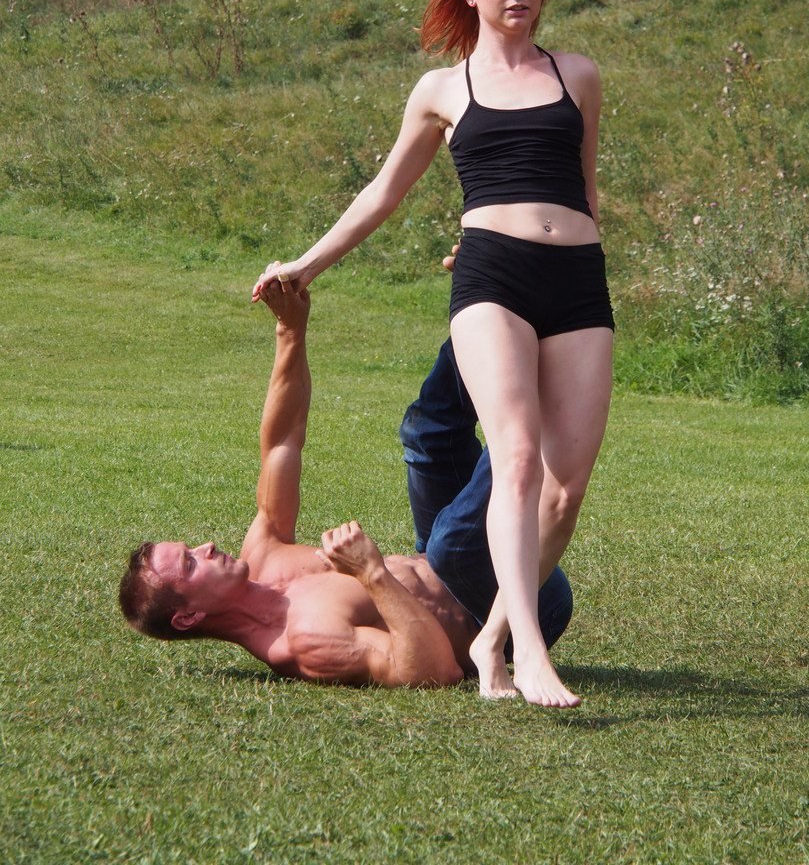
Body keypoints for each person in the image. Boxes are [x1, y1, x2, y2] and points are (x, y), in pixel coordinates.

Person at [252, 0, 614, 707]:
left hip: (578, 282)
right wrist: (306, 263)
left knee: (565, 490)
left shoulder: (578, 75)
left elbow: (583, 191)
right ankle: (526, 659)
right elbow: (383, 192)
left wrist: (572, 247)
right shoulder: (443, 90)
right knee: (516, 457)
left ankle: (492, 636)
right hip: (492, 276)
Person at [119, 278, 573, 688]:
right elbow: (434, 670)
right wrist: (371, 573)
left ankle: (506, 297)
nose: (206, 547)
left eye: (191, 547)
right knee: (450, 544)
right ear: (189, 616)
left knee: (427, 434)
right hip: (506, 606)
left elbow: (281, 444)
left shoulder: (263, 557)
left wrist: (290, 331)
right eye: (191, 563)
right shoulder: (303, 642)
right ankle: (549, 377)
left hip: (451, 558)